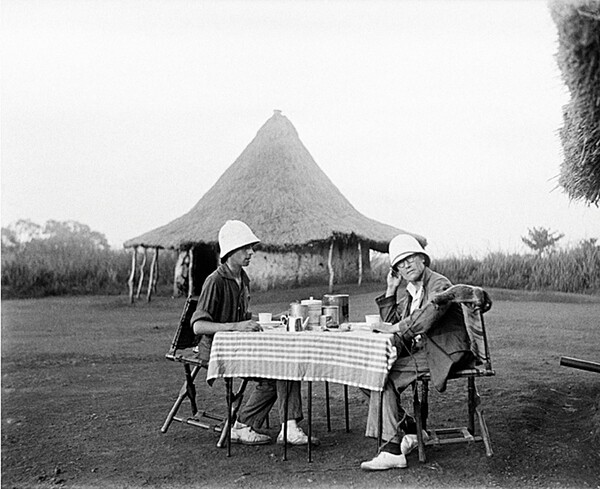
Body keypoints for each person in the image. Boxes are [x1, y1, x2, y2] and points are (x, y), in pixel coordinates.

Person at [191, 220, 317, 447]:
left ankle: (250, 426)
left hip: (238, 345)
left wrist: (270, 319)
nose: (251, 252)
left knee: (284, 365)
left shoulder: (242, 278)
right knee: (280, 367)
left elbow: (242, 316)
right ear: (230, 251)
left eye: (251, 247)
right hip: (217, 351)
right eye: (245, 248)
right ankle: (270, 426)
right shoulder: (215, 281)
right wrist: (235, 326)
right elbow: (199, 326)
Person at [360, 234, 473, 471]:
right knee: (368, 374)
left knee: (382, 377)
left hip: (446, 350)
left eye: (411, 258)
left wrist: (394, 328)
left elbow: (427, 316)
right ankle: (411, 429)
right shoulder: (412, 290)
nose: (407, 265)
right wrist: (391, 289)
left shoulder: (438, 284)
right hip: (428, 349)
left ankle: (392, 449)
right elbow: (394, 322)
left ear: (423, 259)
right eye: (400, 263)